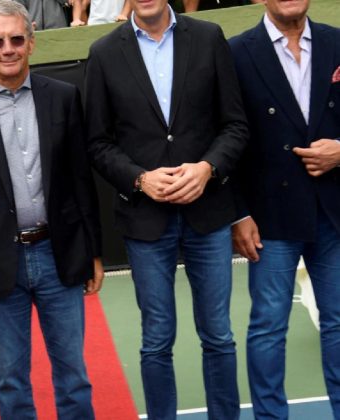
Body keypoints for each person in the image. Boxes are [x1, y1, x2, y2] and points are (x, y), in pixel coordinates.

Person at [84, 0, 249, 417]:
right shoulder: (104, 53)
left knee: (219, 336)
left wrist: (208, 168)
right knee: (156, 340)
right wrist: (140, 179)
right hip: (145, 219)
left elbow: (235, 124)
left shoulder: (209, 37)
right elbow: (98, 143)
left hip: (208, 213)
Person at [0, 2, 103, 418]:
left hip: (60, 255)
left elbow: (81, 181)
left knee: (73, 375)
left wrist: (93, 251)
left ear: (31, 41)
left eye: (16, 39)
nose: (8, 49)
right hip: (0, 264)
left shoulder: (64, 98)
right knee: (11, 381)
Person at [229, 0, 340, 417]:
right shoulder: (236, 52)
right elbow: (228, 138)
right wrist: (238, 214)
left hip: (333, 210)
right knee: (269, 329)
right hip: (270, 216)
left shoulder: (337, 42)